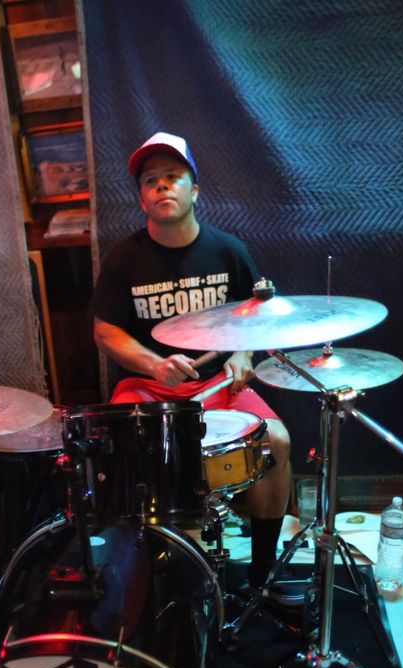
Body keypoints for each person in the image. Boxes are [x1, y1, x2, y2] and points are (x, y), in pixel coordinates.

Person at [91, 132, 292, 593]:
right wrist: (153, 365)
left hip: (216, 383)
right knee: (129, 454)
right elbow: (105, 332)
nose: (162, 186)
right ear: (142, 199)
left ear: (194, 191)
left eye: (173, 177)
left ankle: (262, 570)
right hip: (147, 387)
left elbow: (254, 318)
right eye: (151, 181)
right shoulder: (124, 258)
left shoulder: (228, 251)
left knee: (276, 440)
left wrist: (241, 354)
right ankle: (148, 569)